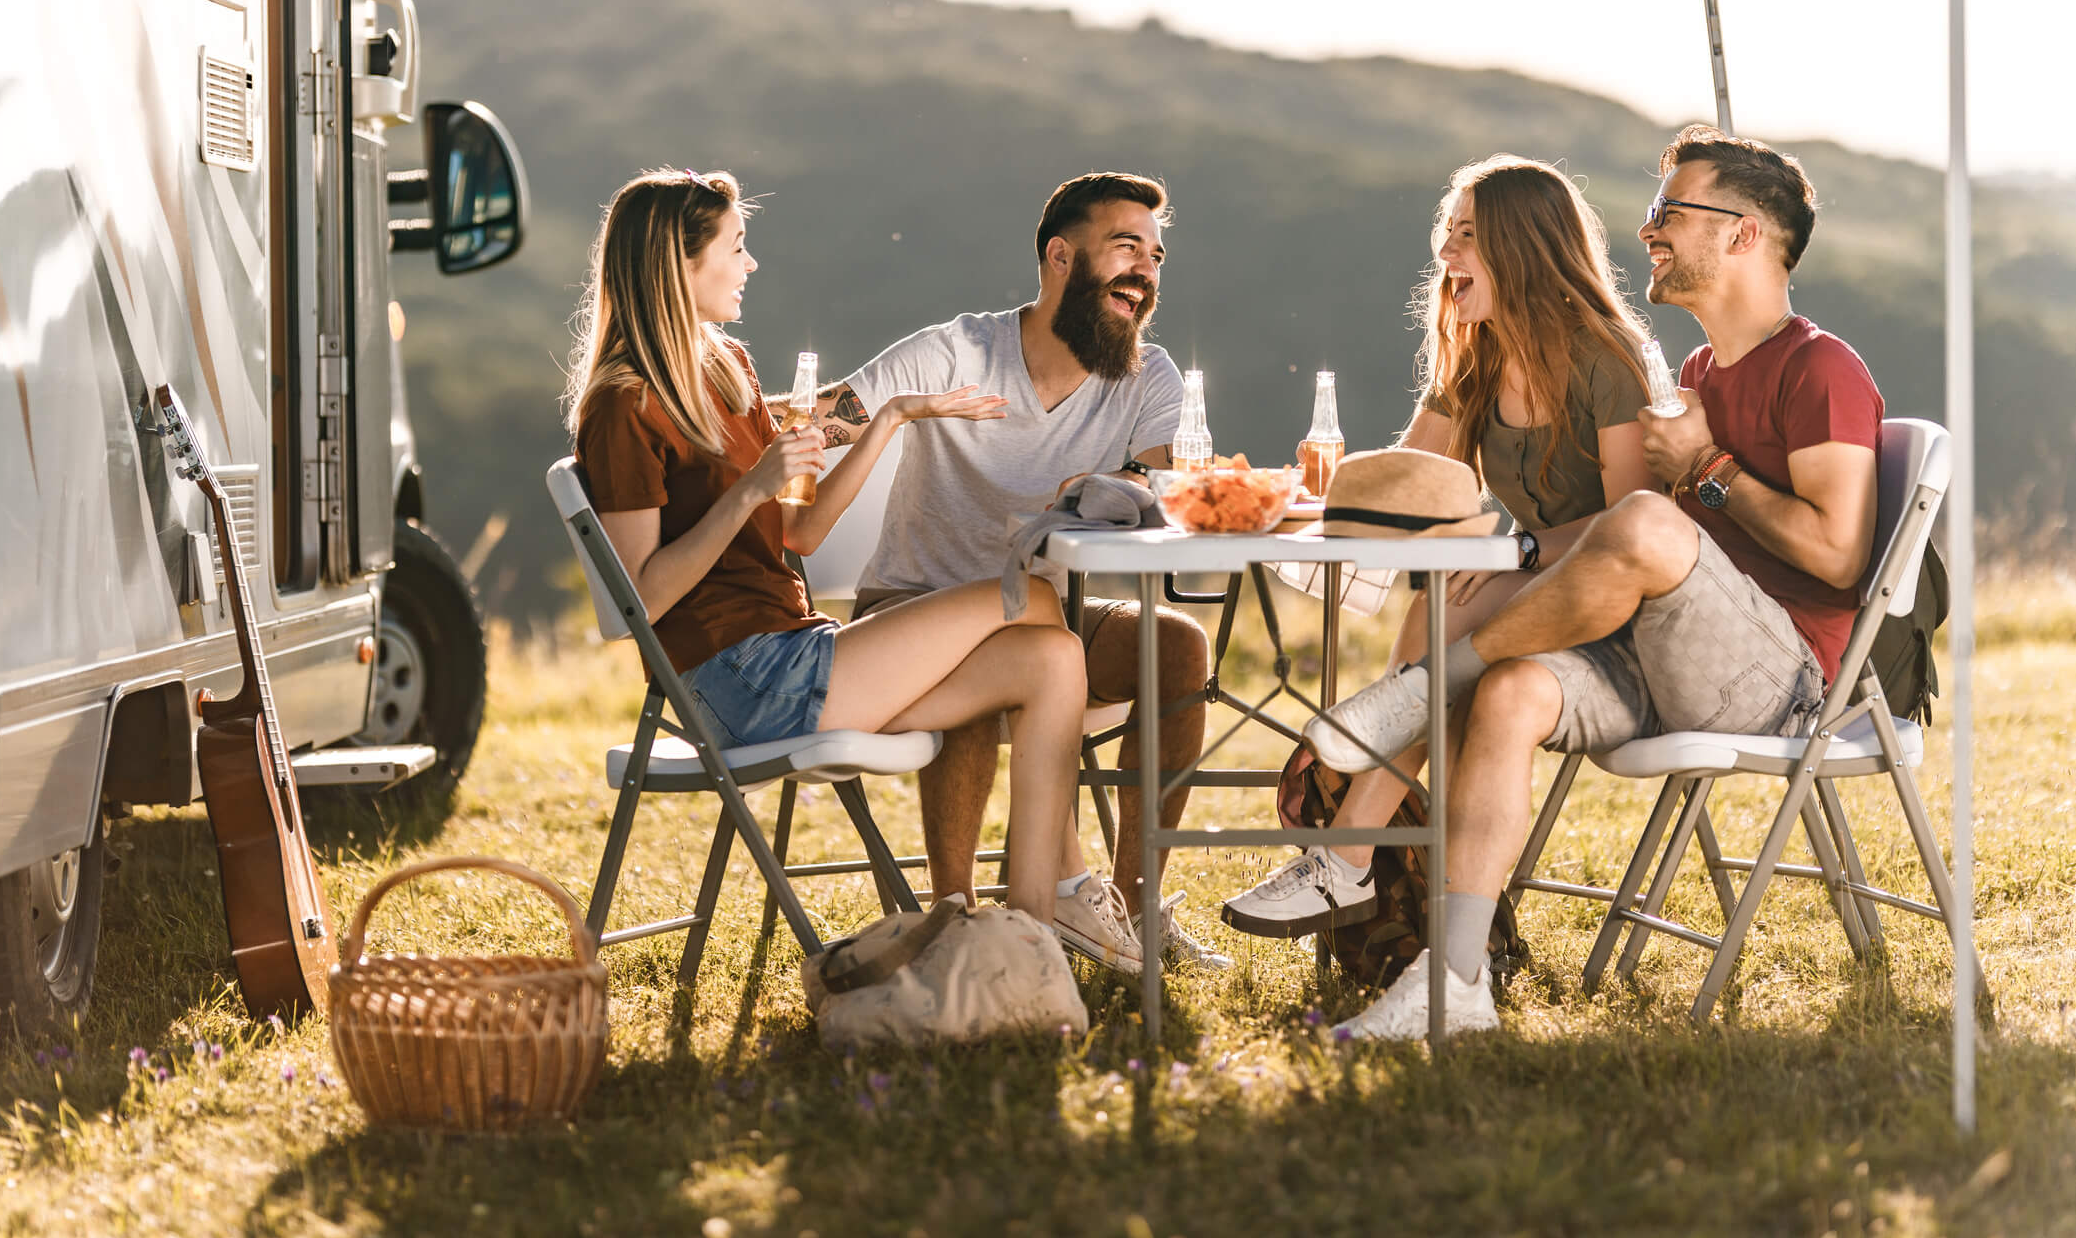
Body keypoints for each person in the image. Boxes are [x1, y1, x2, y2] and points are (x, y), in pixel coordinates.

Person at [1302, 126, 1884, 1039]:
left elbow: (1840, 559)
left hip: (1781, 683)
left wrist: (1709, 468)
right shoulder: (1696, 372)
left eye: (1669, 211)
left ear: (1740, 232)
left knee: (1644, 518)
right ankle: (1453, 981)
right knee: (1510, 693)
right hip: (1658, 657)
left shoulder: (1820, 369)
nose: (1647, 229)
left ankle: (1420, 693)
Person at [567, 168, 1099, 928]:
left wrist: (891, 420)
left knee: (1052, 657)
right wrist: (747, 489)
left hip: (794, 651)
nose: (750, 265)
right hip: (740, 681)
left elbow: (801, 534)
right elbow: (639, 602)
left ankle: (1031, 926)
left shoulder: (727, 366)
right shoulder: (624, 405)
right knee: (1034, 599)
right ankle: (1055, 905)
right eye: (736, 248)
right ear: (679, 266)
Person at [789, 172, 1222, 974]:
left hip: (1052, 614)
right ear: (1060, 256)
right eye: (1125, 247)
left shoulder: (1147, 376)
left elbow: (1165, 484)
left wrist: (1116, 487)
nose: (1145, 271)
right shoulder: (955, 352)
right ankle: (952, 918)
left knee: (1177, 646)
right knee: (996, 661)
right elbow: (806, 427)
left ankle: (1125, 909)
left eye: (1156, 257)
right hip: (915, 610)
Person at [1223, 155, 1658, 938]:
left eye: (1465, 236)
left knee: (1445, 623)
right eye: (1444, 234)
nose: (1445, 255)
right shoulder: (1478, 353)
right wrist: (1291, 493)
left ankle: (1346, 860)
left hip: (1611, 599)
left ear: (1521, 245)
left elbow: (1635, 519)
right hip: (1518, 585)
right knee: (1443, 602)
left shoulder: (1605, 357)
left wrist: (1519, 551)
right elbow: (1409, 483)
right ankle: (1350, 862)